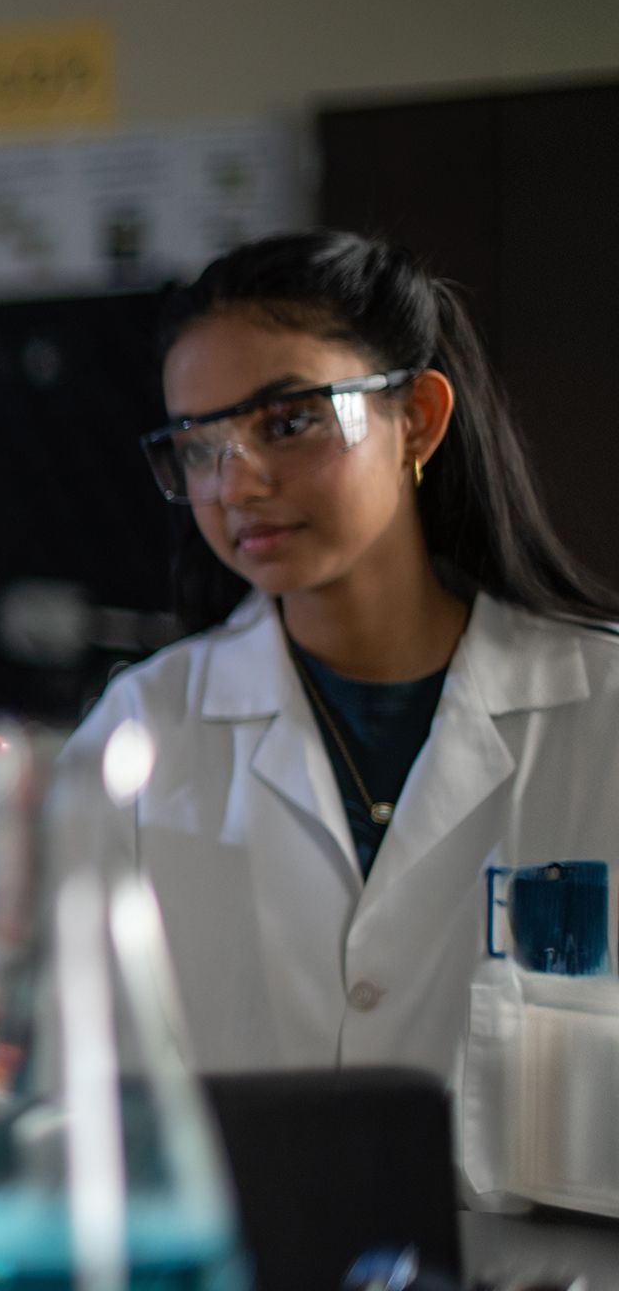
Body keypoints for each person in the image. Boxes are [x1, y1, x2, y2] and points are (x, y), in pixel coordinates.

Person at [64, 228, 619, 1208]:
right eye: (199, 445)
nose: (236, 481)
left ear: (416, 418)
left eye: (286, 422)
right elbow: (59, 1092)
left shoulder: (600, 715)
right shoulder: (140, 732)